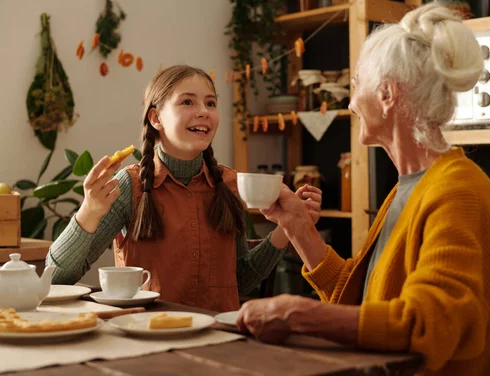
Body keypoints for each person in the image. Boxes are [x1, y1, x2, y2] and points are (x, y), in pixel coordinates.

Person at [236, 4, 490, 376]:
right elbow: (364, 303)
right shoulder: (414, 185)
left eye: (356, 86)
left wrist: (300, 314)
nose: (350, 104)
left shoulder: (458, 193)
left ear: (386, 94)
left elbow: (428, 324)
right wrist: (297, 226)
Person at [48, 65, 323, 312]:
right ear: (156, 118)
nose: (203, 111)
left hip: (218, 341)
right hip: (146, 341)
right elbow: (56, 279)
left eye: (211, 103)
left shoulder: (229, 185)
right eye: (187, 101)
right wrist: (89, 211)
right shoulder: (128, 187)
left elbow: (239, 280)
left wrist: (286, 227)